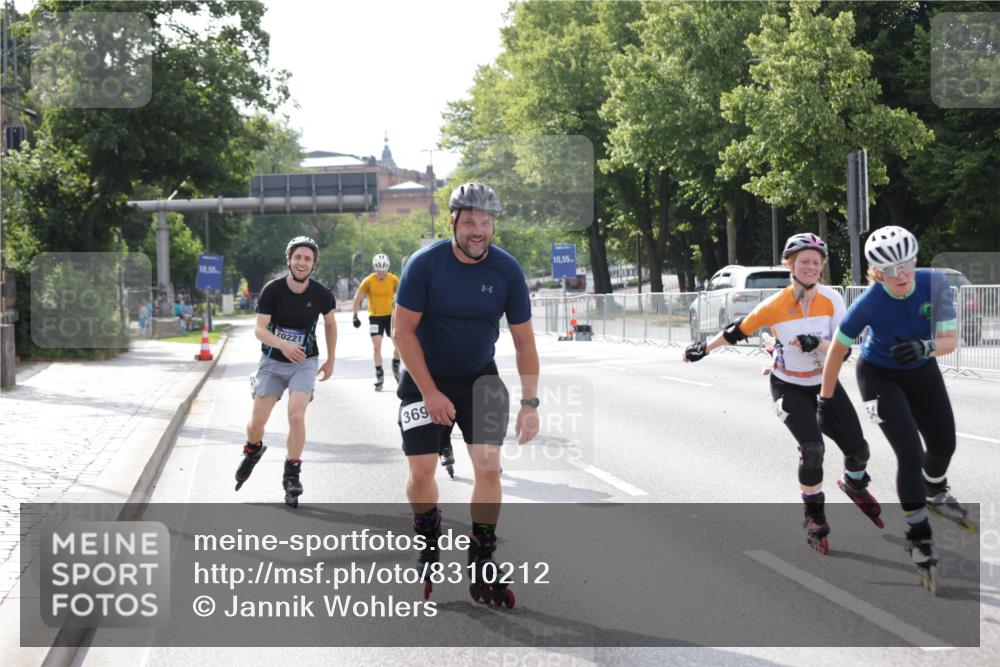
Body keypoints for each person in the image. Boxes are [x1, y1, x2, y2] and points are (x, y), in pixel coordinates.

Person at [684, 233, 882, 554]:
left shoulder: (832, 300)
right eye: (804, 261)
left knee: (859, 450)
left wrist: (814, 343)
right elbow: (737, 330)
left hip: (824, 384)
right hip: (788, 386)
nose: (811, 267)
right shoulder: (774, 305)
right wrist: (702, 349)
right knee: (813, 448)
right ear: (790, 265)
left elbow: (843, 350)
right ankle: (813, 514)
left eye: (816, 263)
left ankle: (854, 482)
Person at [393, 182, 539, 606]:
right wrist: (431, 393)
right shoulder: (425, 264)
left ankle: (483, 555)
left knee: (489, 468)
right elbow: (402, 332)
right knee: (422, 472)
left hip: (481, 378)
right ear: (453, 222)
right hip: (425, 379)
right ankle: (428, 529)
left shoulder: (506, 270)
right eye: (471, 221)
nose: (479, 230)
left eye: (486, 222)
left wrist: (530, 404)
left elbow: (525, 343)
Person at [819, 225, 971, 593]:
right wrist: (825, 401)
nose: (899, 275)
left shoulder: (934, 283)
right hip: (878, 375)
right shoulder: (868, 303)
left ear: (915, 261)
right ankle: (918, 536)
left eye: (905, 265)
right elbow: (838, 351)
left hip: (922, 366)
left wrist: (925, 348)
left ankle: (935, 490)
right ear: (876, 272)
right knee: (909, 453)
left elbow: (951, 340)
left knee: (944, 446)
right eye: (889, 269)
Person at [234, 236, 337, 508]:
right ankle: (253, 449)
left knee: (295, 415)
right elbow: (259, 329)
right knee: (257, 423)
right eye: (298, 257)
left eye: (307, 259)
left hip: (305, 362)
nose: (302, 262)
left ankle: (292, 472)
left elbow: (330, 324)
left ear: (314, 264)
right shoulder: (273, 290)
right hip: (272, 362)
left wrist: (331, 359)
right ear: (289, 259)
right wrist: (283, 345)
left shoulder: (321, 294)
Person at [352, 253, 401, 390]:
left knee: (398, 345)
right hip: (375, 317)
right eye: (379, 270)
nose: (381, 272)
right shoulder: (368, 281)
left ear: (387, 268)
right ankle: (379, 374)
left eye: (384, 270)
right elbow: (357, 299)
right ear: (375, 268)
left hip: (391, 316)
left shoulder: (393, 280)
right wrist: (355, 316)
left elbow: (404, 295)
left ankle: (396, 365)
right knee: (376, 346)